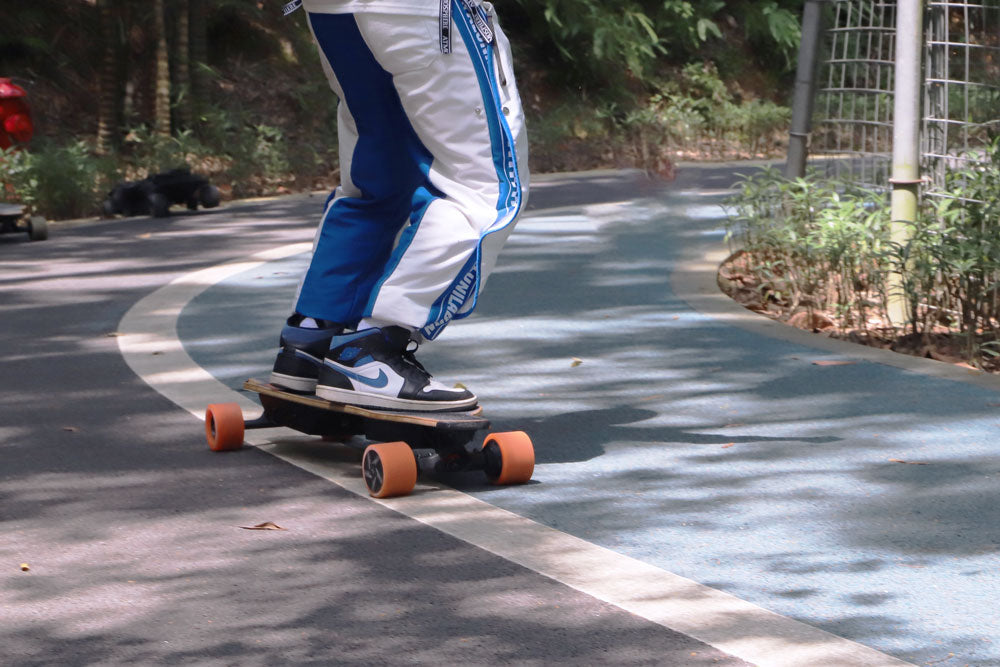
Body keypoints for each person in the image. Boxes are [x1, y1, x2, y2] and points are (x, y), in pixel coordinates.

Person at [269, 0, 529, 412]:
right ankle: (373, 348)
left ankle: (313, 340)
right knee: (486, 188)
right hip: (423, 14)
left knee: (383, 177)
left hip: (332, 11)